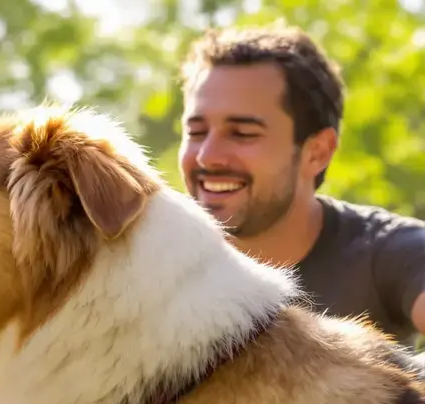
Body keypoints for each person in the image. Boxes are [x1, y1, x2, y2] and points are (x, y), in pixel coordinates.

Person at [178, 24, 425, 347]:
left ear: (317, 152)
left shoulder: (387, 251)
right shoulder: (151, 266)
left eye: (242, 133)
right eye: (196, 132)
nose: (208, 157)